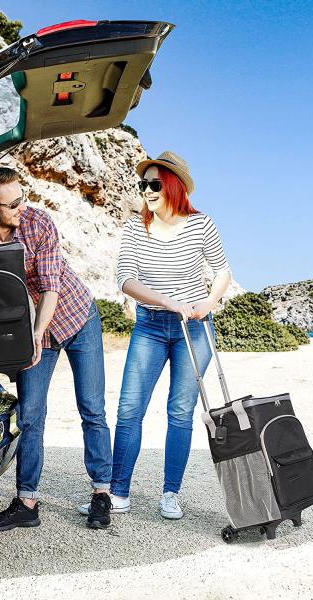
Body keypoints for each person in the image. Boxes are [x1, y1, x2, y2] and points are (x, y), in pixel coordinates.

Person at [0, 166, 113, 530]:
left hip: (75, 317)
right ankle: (27, 502)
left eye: (23, 198)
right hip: (30, 332)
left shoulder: (38, 223)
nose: (23, 206)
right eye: (14, 203)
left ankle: (102, 493)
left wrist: (36, 334)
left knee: (92, 408)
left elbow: (51, 287)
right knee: (31, 415)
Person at [80, 150, 231, 520]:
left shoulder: (201, 224)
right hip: (150, 325)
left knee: (180, 411)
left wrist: (207, 303)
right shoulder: (136, 228)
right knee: (130, 408)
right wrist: (167, 301)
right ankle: (118, 492)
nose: (146, 191)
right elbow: (125, 279)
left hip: (193, 328)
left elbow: (222, 271)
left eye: (154, 184)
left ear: (174, 186)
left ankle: (170, 493)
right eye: (143, 184)